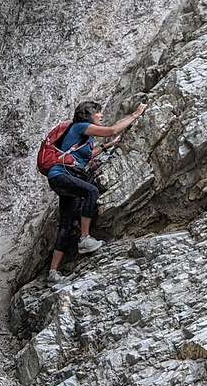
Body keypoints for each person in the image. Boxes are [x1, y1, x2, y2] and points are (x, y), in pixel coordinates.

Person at [45, 100, 147, 284]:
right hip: (62, 174)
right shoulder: (80, 126)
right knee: (91, 191)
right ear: (88, 114)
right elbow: (111, 130)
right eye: (98, 113)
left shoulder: (82, 137)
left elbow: (84, 157)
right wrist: (135, 115)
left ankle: (52, 272)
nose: (101, 115)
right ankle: (85, 239)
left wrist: (107, 147)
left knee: (66, 223)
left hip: (63, 177)